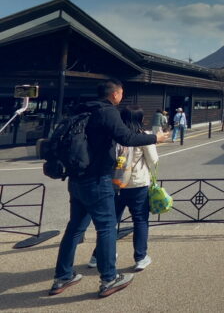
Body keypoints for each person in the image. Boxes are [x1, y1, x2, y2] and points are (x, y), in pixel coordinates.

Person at [50, 79, 169, 298]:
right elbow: (127, 137)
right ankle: (109, 279)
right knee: (106, 227)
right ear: (115, 94)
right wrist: (156, 138)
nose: (121, 96)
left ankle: (62, 276)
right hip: (97, 179)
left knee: (74, 228)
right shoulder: (107, 112)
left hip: (76, 179)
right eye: (121, 93)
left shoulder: (81, 111)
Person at [89, 106, 158, 273]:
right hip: (137, 184)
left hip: (114, 183)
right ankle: (140, 257)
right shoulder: (143, 136)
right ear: (140, 119)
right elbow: (153, 160)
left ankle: (98, 256)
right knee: (140, 220)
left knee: (110, 222)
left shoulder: (114, 135)